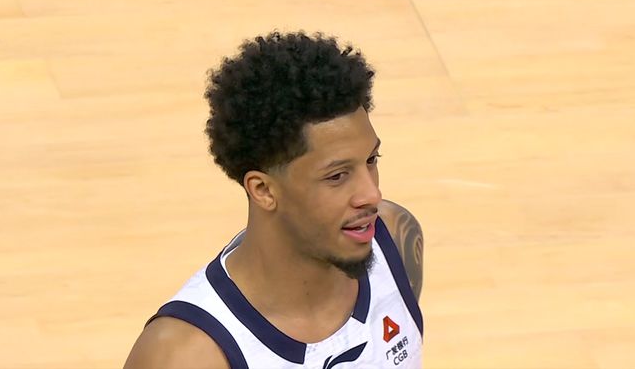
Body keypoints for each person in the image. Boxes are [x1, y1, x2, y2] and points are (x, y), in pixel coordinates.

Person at [124, 31, 424, 368]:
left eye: (371, 160)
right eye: (337, 176)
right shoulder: (185, 355)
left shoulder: (393, 238)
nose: (371, 194)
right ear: (263, 190)